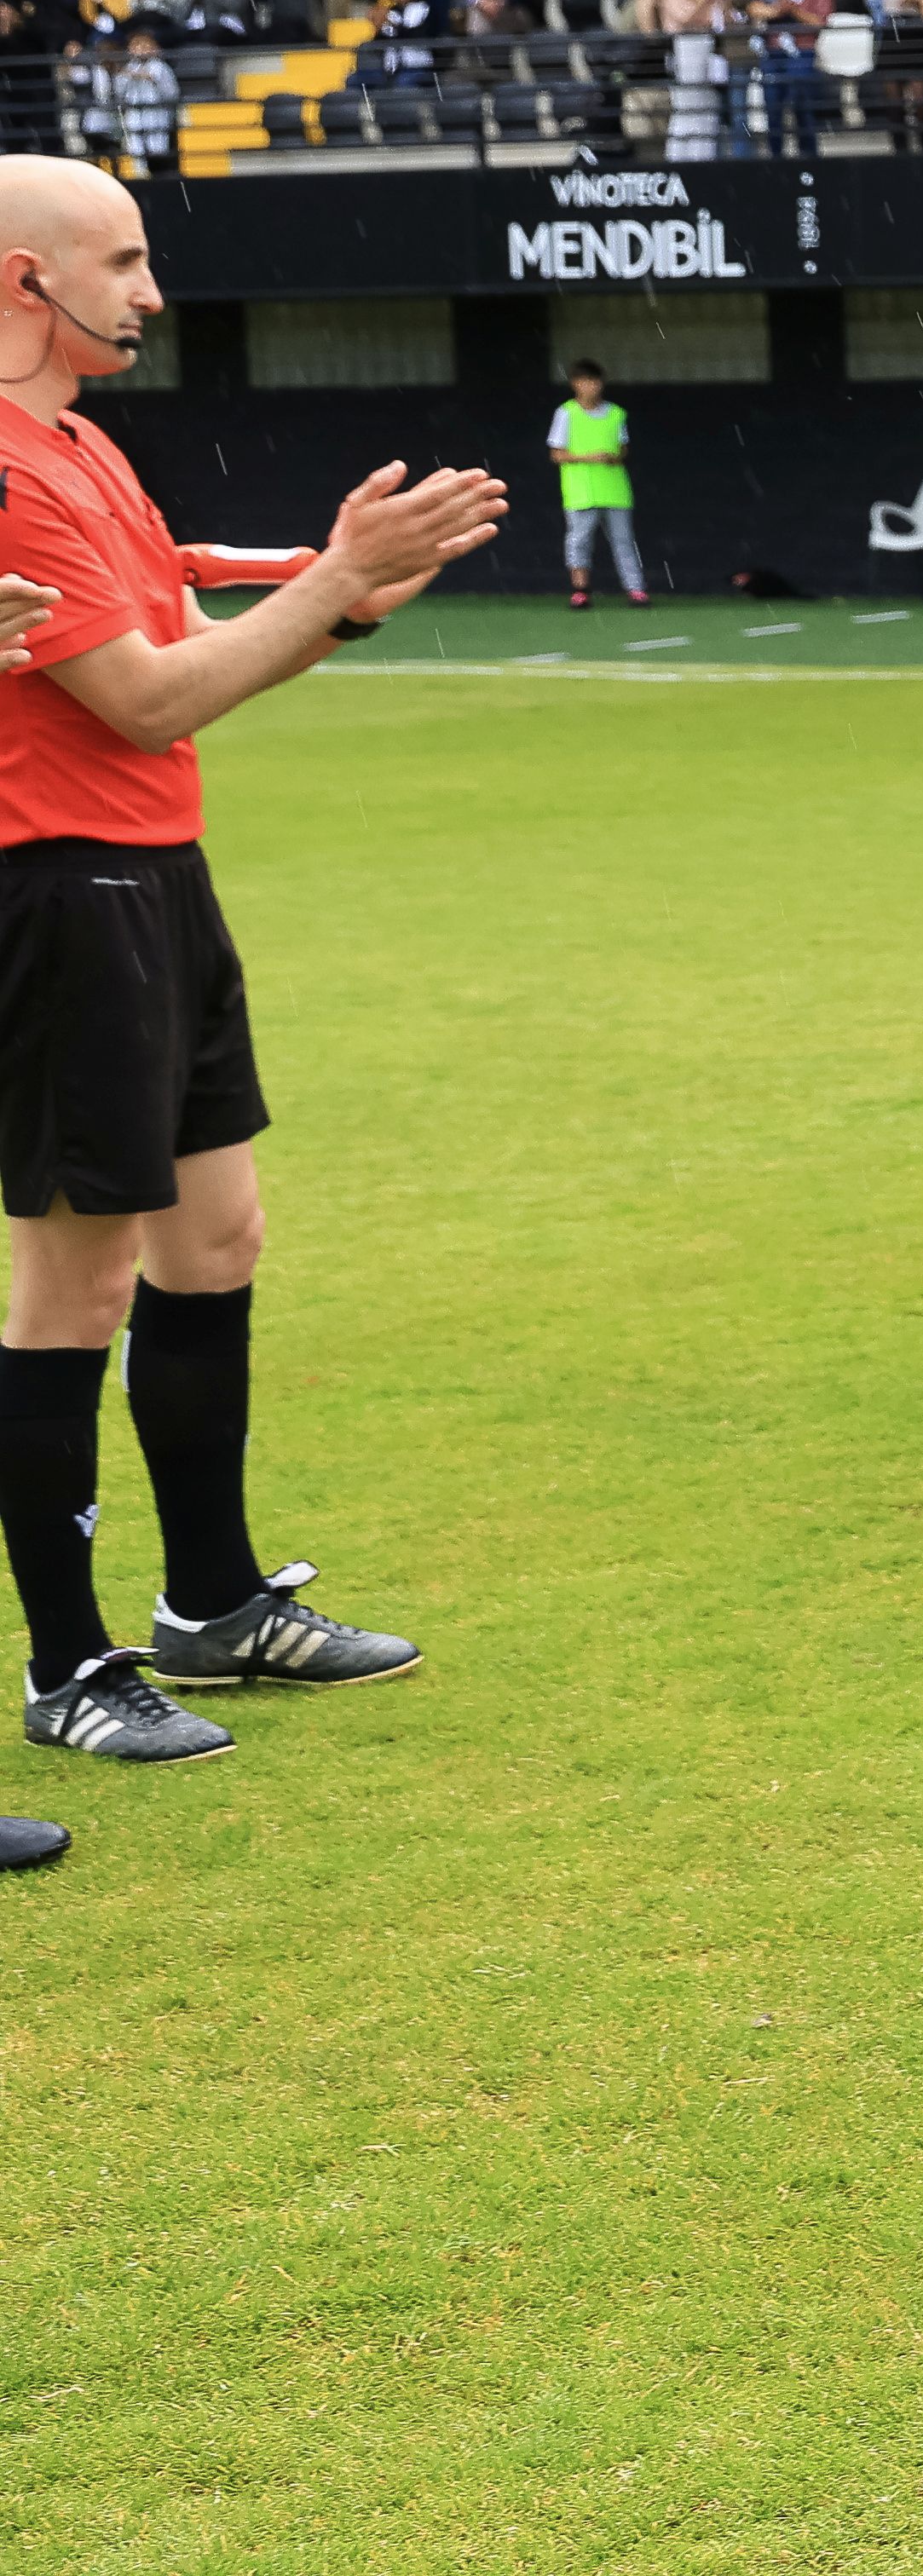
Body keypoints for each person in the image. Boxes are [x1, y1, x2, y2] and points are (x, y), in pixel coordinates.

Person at [0, 156, 505, 1821]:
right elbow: (146, 695)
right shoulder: (5, 467)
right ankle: (68, 1667)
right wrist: (331, 582)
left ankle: (208, 1605)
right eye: (123, 260)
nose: (149, 290)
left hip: (156, 879)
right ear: (26, 279)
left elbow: (195, 607)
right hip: (58, 891)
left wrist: (345, 586)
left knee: (214, 1242)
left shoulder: (80, 443)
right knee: (69, 1290)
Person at [547, 358, 646, 609]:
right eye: (585, 382)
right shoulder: (566, 413)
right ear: (575, 385)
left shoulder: (616, 414)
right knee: (579, 542)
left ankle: (636, 591)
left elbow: (624, 448)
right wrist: (590, 458)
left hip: (615, 491)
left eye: (595, 382)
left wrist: (615, 458)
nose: (591, 387)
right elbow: (557, 454)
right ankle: (580, 592)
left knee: (624, 542)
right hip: (581, 492)